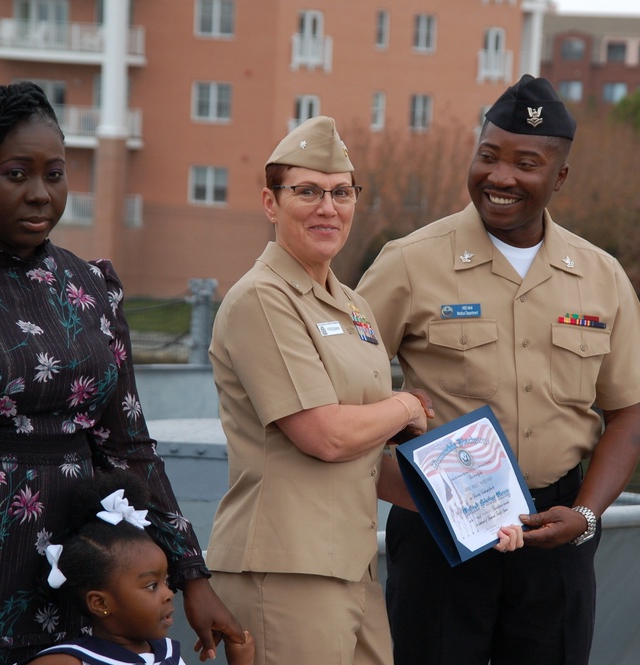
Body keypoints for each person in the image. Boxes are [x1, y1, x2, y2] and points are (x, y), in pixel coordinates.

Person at [0, 81, 243, 664]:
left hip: (70, 593)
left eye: (55, 174)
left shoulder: (90, 288)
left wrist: (192, 575)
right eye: (16, 174)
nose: (41, 195)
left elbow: (128, 446)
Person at [356, 74, 640, 665]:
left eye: (526, 163)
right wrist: (401, 488)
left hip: (556, 532)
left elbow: (629, 413)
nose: (501, 177)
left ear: (560, 178)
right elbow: (344, 394)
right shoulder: (408, 262)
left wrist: (585, 516)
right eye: (488, 156)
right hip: (439, 535)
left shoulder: (601, 276)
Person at [205, 116, 524, 665]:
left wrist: (476, 513)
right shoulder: (262, 299)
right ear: (269, 202)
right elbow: (325, 437)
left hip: (351, 566)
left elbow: (364, 460)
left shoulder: (353, 307)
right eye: (307, 191)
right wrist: (406, 405)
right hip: (287, 571)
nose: (328, 207)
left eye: (341, 192)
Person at [25, 474, 255, 665]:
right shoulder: (66, 661)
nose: (168, 594)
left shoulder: (168, 655)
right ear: (100, 603)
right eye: (152, 586)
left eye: (166, 582)